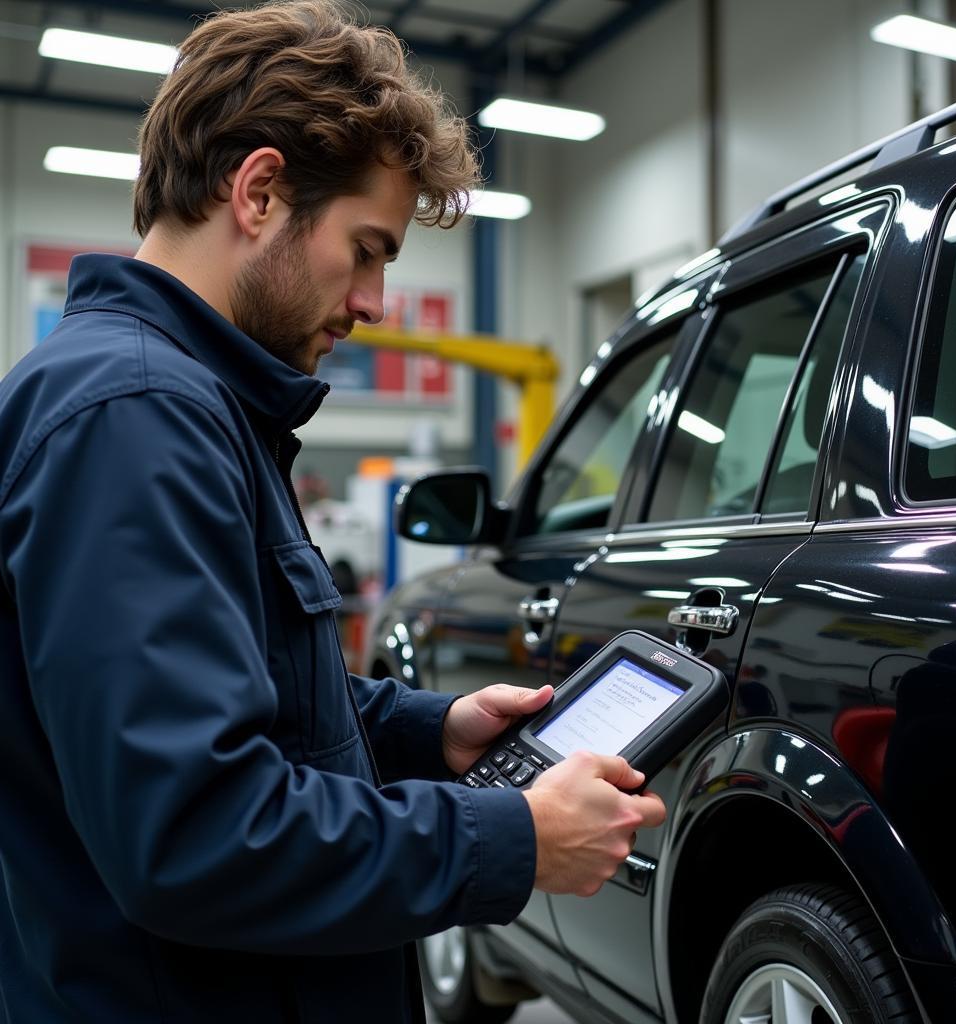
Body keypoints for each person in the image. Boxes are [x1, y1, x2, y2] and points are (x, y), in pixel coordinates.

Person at [0, 2, 666, 1021]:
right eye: (366, 248)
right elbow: (194, 832)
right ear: (260, 191)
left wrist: (423, 729)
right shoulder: (135, 416)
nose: (374, 301)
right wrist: (513, 838)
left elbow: (234, 691)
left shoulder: (185, 403)